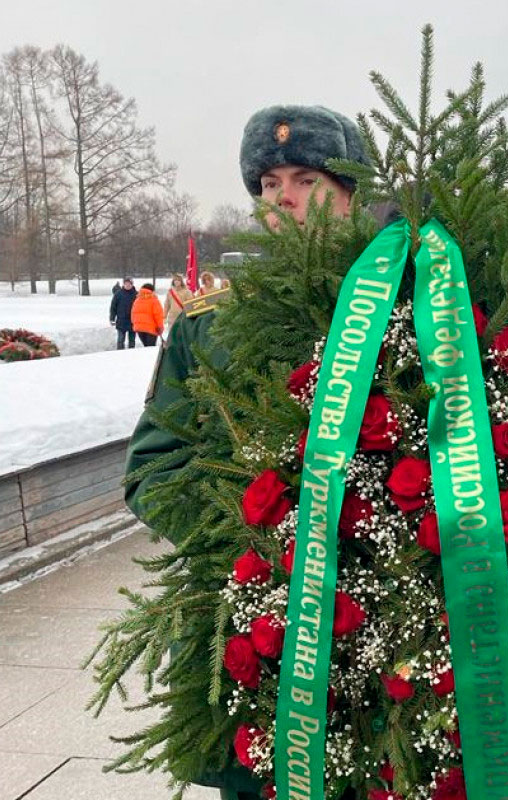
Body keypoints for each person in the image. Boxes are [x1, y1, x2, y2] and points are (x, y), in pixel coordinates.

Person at [124, 104, 370, 800]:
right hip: (249, 618)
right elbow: (154, 468)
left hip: (380, 618)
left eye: (306, 179)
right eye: (268, 184)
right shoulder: (210, 327)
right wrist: (248, 538)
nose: (283, 197)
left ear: (351, 194)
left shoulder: (413, 309)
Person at [109, 277, 138, 349]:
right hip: (121, 321)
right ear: (123, 284)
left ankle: (131, 353)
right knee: (120, 340)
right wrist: (112, 318)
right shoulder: (118, 294)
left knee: (132, 341)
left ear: (132, 284)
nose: (127, 285)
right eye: (126, 284)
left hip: (133, 321)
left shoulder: (137, 294)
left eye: (129, 284)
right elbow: (113, 307)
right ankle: (119, 354)